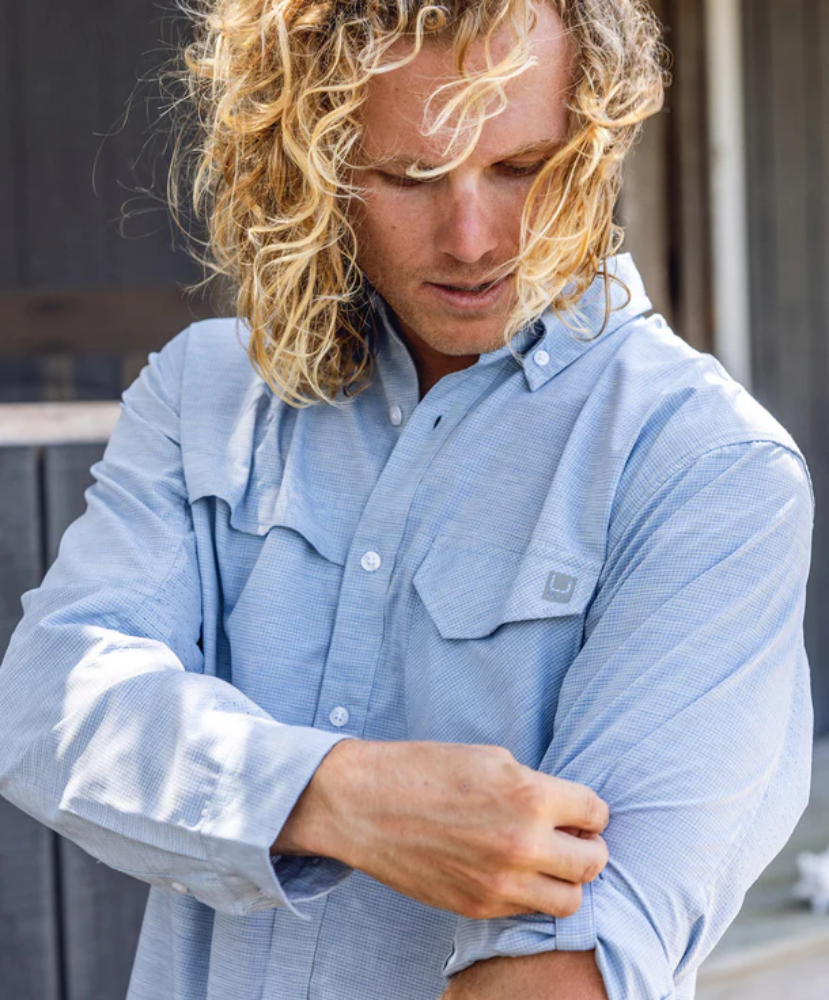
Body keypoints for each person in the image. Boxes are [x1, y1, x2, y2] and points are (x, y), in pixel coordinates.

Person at [0, 1, 815, 998]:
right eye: (409, 175)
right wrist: (340, 798)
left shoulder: (705, 468)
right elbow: (45, 703)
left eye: (522, 167)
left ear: (596, 143)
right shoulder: (202, 392)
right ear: (314, 157)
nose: (472, 238)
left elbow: (566, 969)